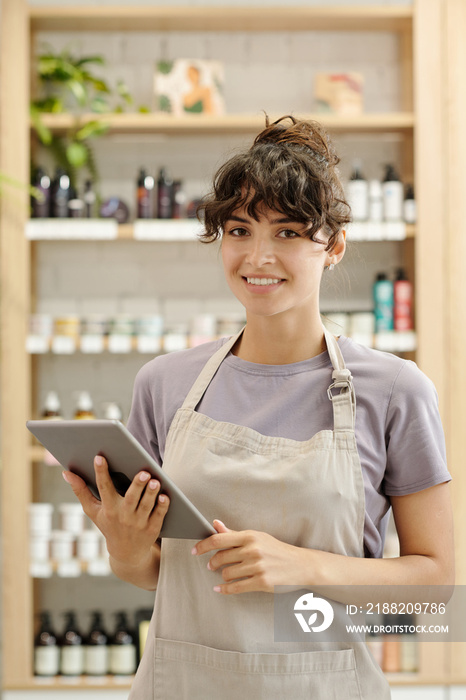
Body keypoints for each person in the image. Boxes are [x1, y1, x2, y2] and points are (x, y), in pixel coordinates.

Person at [63, 115, 454, 699]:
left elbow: (437, 582)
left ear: (334, 247)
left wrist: (306, 567)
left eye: (289, 233)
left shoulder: (395, 390)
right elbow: (155, 574)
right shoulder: (165, 384)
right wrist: (124, 549)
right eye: (240, 230)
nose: (258, 257)